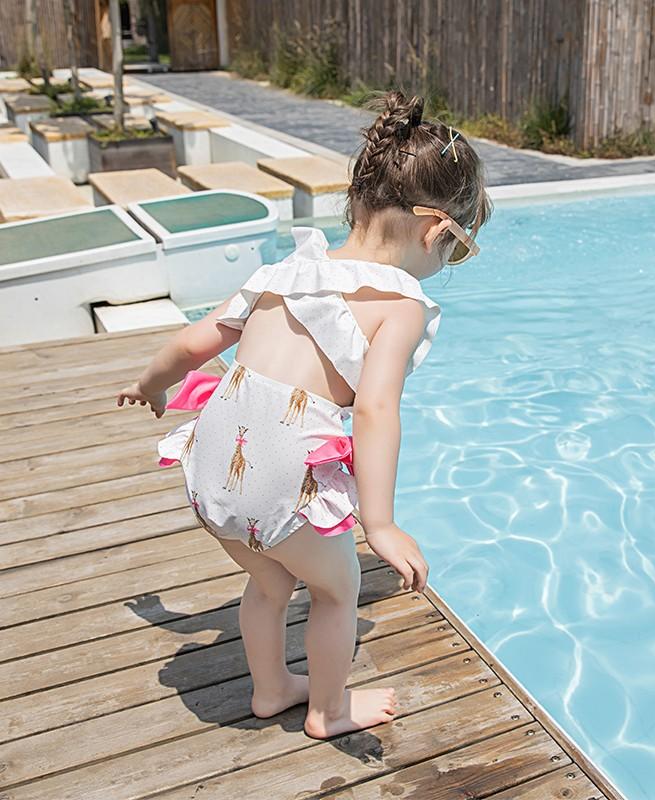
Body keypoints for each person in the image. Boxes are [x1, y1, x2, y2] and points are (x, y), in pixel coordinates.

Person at [116, 90, 492, 739]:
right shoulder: (397, 305)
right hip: (285, 480)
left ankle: (270, 690)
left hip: (211, 466)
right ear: (436, 230)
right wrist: (381, 524)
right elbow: (374, 410)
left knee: (268, 585)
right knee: (336, 590)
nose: (447, 263)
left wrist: (152, 387)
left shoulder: (285, 268)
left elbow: (191, 343)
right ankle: (329, 710)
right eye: (458, 250)